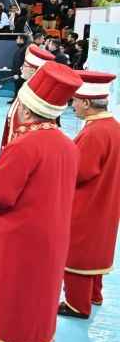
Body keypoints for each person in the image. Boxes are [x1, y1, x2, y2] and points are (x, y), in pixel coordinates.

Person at [0, 62, 83, 342]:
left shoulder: (25, 144)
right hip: (52, 237)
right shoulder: (68, 144)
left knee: (15, 303)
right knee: (39, 298)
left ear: (27, 108)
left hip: (21, 240)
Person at [59, 71, 120, 319]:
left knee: (79, 252)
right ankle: (94, 294)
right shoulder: (113, 127)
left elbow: (79, 172)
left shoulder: (94, 133)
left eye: (74, 100)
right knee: (97, 247)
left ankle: (76, 304)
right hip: (107, 200)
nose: (72, 105)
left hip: (87, 203)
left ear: (86, 102)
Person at [0, 45, 55, 151]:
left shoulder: (35, 98)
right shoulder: (27, 88)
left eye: (25, 65)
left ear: (34, 71)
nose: (21, 68)